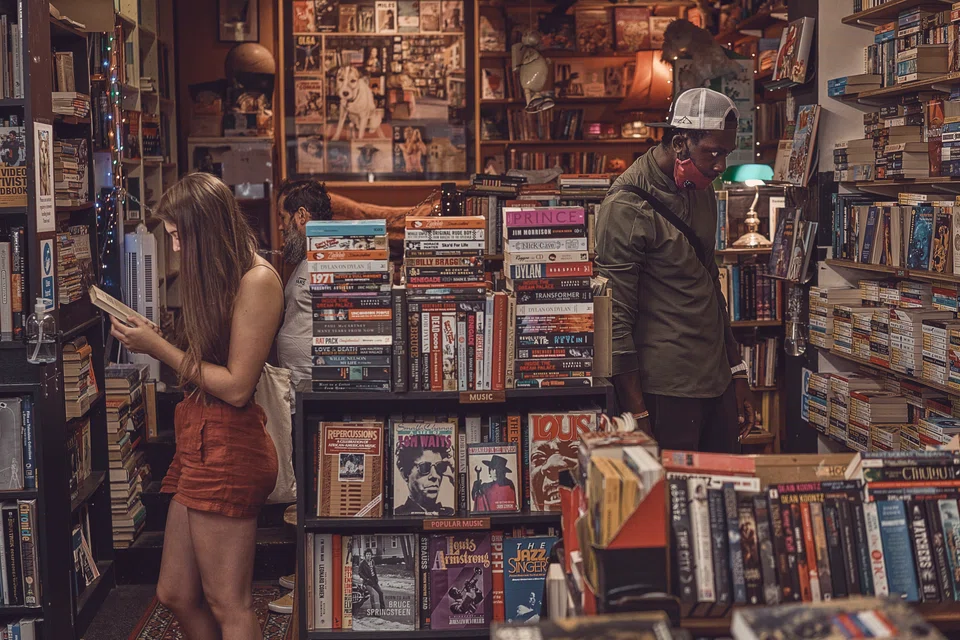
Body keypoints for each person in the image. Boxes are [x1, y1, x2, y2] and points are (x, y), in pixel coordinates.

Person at [109, 173, 283, 640]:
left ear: (203, 229)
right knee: (176, 591)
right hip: (199, 438)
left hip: (229, 447)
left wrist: (157, 347)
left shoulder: (258, 280)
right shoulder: (219, 278)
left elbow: (237, 387)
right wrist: (158, 336)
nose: (177, 248)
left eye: (178, 236)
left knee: (230, 602)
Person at [595, 87, 755, 454]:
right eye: (713, 152)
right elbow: (615, 317)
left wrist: (737, 372)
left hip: (715, 380)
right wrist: (637, 415)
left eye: (726, 153)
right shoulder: (626, 205)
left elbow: (710, 282)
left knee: (723, 496)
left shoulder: (701, 187)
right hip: (665, 389)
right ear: (680, 144)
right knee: (672, 503)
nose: (720, 166)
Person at [276, 179, 334, 387]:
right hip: (299, 390)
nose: (281, 227)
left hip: (318, 391)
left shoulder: (329, 262)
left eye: (283, 218)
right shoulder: (307, 260)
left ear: (301, 216)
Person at [394, 445, 455, 516]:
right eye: (424, 467)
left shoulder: (450, 513)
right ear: (405, 474)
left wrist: (455, 479)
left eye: (440, 467)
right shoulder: (399, 514)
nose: (435, 476)